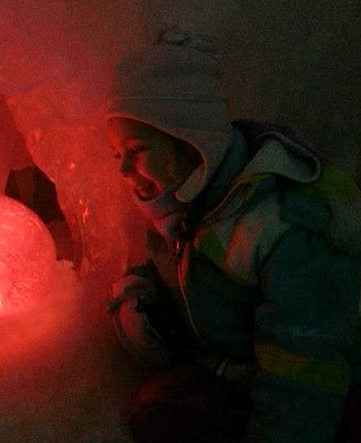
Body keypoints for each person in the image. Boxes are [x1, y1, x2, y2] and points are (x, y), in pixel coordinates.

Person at [106, 30, 361, 443]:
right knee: (155, 409)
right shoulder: (185, 209)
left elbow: (304, 370)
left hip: (329, 389)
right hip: (242, 367)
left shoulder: (282, 228)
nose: (122, 170)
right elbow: (177, 270)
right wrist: (140, 294)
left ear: (188, 142)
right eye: (116, 155)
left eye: (137, 149)